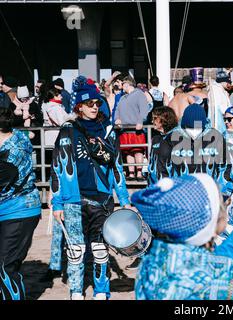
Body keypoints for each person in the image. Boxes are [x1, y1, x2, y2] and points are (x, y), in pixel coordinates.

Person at [50, 82, 131, 300]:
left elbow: (117, 167)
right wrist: (57, 204)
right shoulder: (67, 130)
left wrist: (124, 199)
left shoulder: (108, 131)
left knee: (100, 249)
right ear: (78, 107)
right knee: (75, 251)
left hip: (102, 199)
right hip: (73, 201)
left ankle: (101, 290)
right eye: (88, 103)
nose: (94, 107)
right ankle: (76, 291)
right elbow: (57, 167)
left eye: (96, 102)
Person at [0, 107, 41, 300]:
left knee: (5, 266)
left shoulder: (11, 155)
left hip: (19, 211)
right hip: (10, 209)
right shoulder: (14, 137)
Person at [115, 75, 149, 181]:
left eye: (123, 84)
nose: (121, 86)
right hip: (124, 129)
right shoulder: (122, 97)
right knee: (128, 152)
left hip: (136, 129)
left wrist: (140, 121)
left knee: (138, 151)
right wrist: (117, 119)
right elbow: (117, 110)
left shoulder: (139, 94)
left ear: (127, 84)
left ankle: (139, 173)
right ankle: (131, 173)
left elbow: (144, 109)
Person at [147, 106, 179, 185]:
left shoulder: (176, 137)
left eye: (155, 118)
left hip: (169, 186)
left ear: (164, 119)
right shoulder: (155, 139)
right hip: (154, 186)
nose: (152, 121)